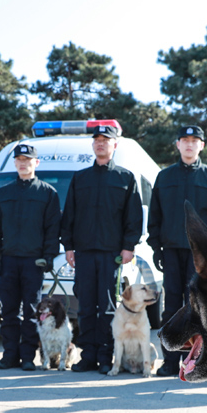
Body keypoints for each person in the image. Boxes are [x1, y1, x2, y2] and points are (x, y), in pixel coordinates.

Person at [61, 124, 143, 375]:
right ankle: (88, 357)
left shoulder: (125, 178)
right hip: (84, 253)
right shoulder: (80, 178)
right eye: (96, 140)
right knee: (85, 306)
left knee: (107, 307)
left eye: (106, 140)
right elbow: (70, 216)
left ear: (114, 145)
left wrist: (128, 246)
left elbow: (134, 217)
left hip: (111, 254)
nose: (100, 143)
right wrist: (69, 247)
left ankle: (106, 356)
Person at [147, 125, 207, 377]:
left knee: (199, 310)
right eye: (185, 140)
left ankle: (201, 361)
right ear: (178, 145)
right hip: (171, 251)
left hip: (200, 256)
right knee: (171, 306)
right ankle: (170, 362)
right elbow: (155, 216)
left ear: (201, 145)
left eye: (195, 140)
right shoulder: (165, 177)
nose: (190, 144)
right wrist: (157, 248)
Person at [0, 144, 61, 371]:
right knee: (8, 310)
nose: (22, 163)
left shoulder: (47, 193)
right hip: (9, 260)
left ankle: (28, 356)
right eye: (19, 159)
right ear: (15, 163)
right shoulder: (4, 192)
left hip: (33, 262)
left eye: (27, 160)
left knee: (31, 312)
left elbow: (52, 229)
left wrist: (48, 256)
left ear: (36, 163)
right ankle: (10, 355)